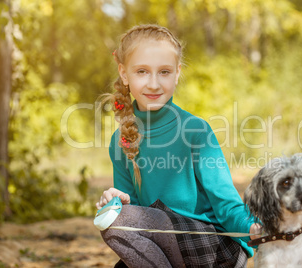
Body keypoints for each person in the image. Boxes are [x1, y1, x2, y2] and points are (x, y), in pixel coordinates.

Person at [96, 24, 261, 268]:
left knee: (119, 221)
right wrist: (115, 201)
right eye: (142, 71)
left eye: (164, 72)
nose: (153, 84)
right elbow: (135, 219)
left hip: (215, 249)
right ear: (124, 74)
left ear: (177, 73)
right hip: (170, 247)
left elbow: (226, 203)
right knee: (117, 225)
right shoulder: (119, 141)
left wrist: (252, 228)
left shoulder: (195, 131)